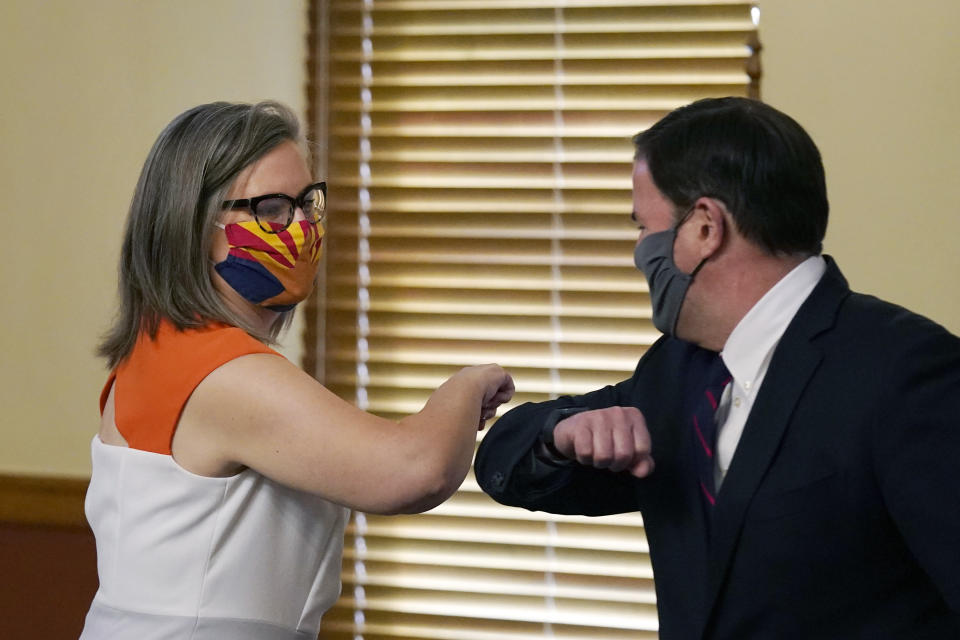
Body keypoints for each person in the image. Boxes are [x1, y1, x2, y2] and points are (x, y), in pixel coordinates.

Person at [475, 97, 960, 639]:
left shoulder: (910, 372)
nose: (639, 252)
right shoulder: (676, 372)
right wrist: (557, 435)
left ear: (706, 227)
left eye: (644, 228)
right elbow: (504, 458)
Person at [80, 101, 514, 640]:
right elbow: (412, 471)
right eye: (271, 209)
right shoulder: (218, 371)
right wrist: (466, 386)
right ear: (193, 224)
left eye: (308, 202)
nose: (303, 227)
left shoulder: (165, 349)